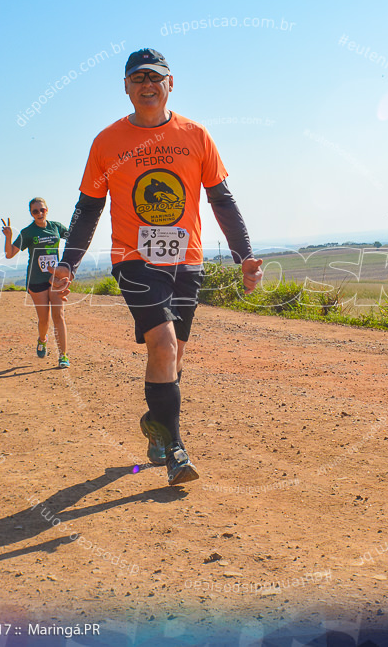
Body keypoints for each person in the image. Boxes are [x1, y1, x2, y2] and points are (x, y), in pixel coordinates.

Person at [52, 48, 263, 486]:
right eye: (138, 78)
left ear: (171, 83)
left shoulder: (196, 135)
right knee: (164, 345)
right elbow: (88, 208)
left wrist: (244, 257)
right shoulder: (106, 142)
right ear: (126, 87)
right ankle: (176, 453)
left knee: (173, 356)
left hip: (187, 260)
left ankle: (155, 422)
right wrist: (68, 263)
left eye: (155, 77)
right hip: (133, 259)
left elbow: (222, 200)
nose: (147, 84)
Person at [2, 198, 71, 368]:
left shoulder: (56, 227)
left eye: (42, 210)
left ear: (47, 210)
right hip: (36, 280)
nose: (40, 213)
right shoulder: (28, 232)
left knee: (59, 316)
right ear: (31, 214)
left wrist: (67, 263)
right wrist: (9, 237)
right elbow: (10, 254)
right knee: (44, 320)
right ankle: (42, 339)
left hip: (54, 279)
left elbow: (74, 239)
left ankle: (63, 356)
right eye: (35, 211)